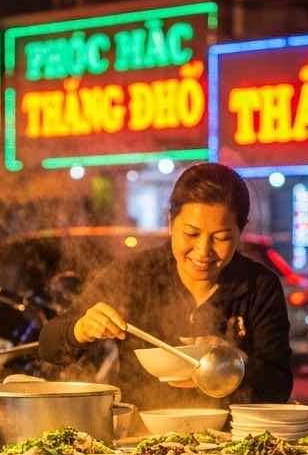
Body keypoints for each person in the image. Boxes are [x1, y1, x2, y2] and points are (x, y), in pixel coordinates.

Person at [39, 163, 292, 407]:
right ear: (171, 223)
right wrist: (80, 329)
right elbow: (49, 345)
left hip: (232, 431)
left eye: (221, 238)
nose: (203, 250)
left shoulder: (260, 286)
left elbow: (279, 385)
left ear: (240, 232)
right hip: (140, 429)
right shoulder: (135, 273)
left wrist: (231, 366)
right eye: (191, 234)